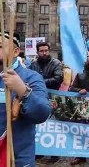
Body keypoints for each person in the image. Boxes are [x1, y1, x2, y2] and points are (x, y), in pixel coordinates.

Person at [0, 32, 51, 167]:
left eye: (0, 46)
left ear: (16, 51)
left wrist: (23, 91)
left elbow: (42, 113)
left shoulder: (31, 77)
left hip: (18, 157)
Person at [29, 41, 63, 163]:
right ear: (37, 52)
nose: (44, 53)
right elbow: (29, 77)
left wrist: (39, 82)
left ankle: (54, 153)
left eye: (46, 50)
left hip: (53, 96)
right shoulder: (33, 64)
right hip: (37, 98)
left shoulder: (56, 63)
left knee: (53, 126)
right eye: (41, 51)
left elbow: (58, 78)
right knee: (40, 125)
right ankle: (40, 151)